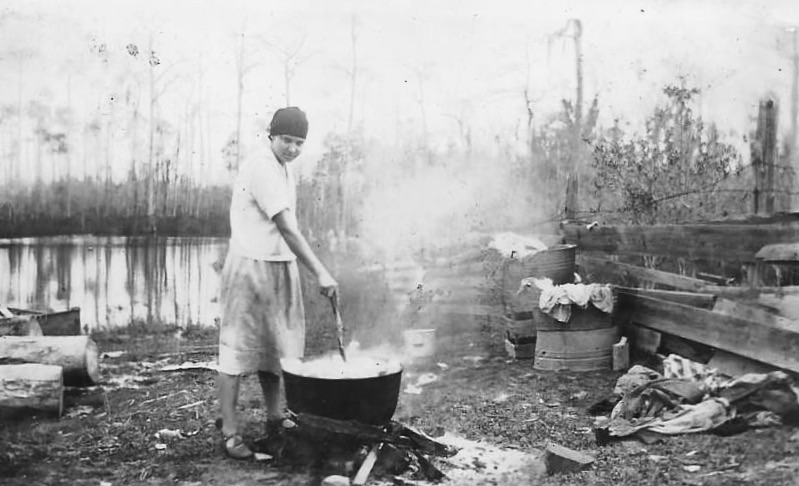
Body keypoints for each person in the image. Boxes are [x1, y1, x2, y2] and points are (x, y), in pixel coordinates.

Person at [216, 106, 338, 459]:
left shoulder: (285, 169)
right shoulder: (261, 167)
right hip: (249, 266)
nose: (293, 148)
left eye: (299, 142)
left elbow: (284, 233)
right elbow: (286, 225)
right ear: (272, 135)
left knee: (276, 347)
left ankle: (274, 416)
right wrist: (320, 271)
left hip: (279, 264)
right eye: (286, 139)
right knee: (236, 348)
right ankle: (229, 430)